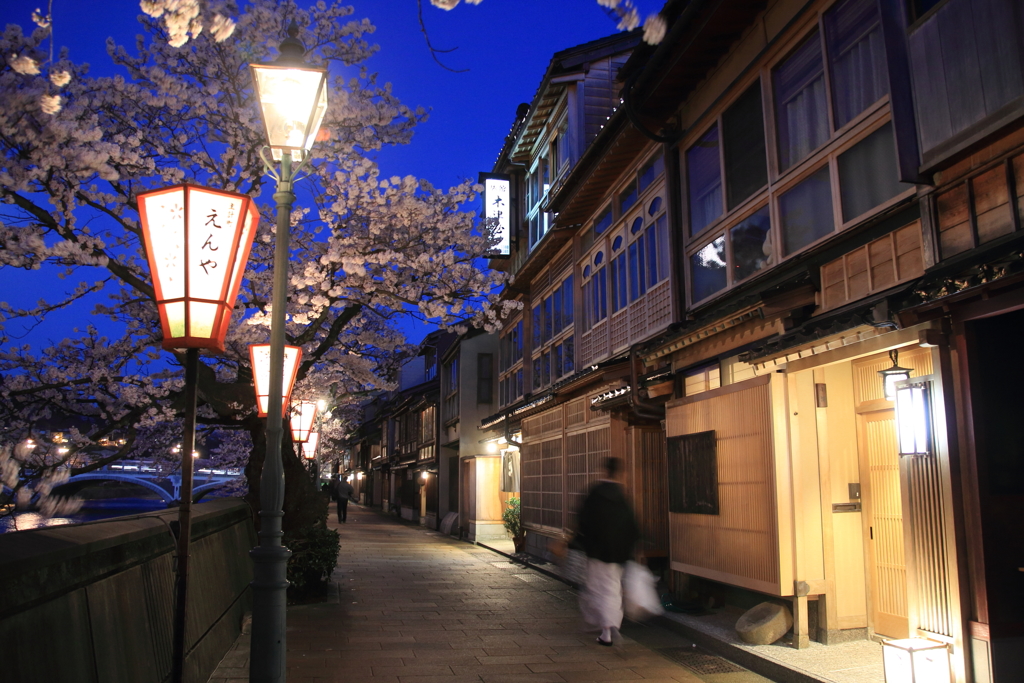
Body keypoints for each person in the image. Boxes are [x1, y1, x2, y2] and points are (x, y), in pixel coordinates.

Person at [575, 456, 640, 646]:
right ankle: (610, 627)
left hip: (596, 551)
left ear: (604, 470)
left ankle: (604, 629)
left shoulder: (594, 492)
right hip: (617, 554)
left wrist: (579, 542)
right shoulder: (622, 496)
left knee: (596, 587)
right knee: (612, 589)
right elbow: (632, 526)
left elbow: (583, 520)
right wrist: (628, 550)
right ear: (619, 473)